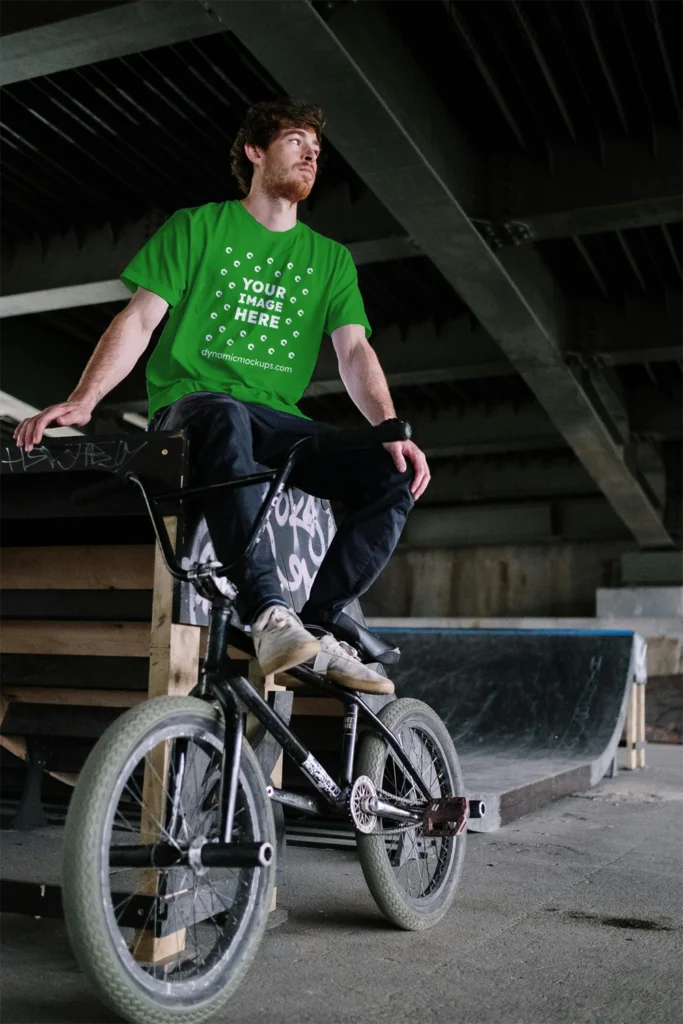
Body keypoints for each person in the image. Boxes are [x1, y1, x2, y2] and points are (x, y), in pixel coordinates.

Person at [13, 99, 430, 693]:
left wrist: (389, 427)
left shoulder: (330, 260)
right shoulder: (197, 227)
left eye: (316, 148)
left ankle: (318, 626)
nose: (311, 154)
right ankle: (269, 613)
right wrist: (85, 398)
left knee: (388, 472)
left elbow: (354, 352)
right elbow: (139, 319)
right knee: (225, 412)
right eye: (294, 141)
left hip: (278, 418)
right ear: (254, 152)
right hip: (195, 406)